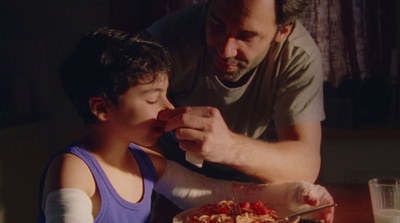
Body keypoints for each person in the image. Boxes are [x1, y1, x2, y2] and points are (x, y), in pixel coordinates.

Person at [37, 27, 334, 223]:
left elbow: (215, 194)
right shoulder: (74, 169)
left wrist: (300, 195)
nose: (168, 108)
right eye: (153, 99)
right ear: (102, 108)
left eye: (167, 95)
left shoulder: (146, 162)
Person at [147, 0, 325, 184]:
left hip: (245, 170)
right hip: (167, 167)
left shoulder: (298, 56)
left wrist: (229, 147)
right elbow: (124, 131)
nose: (225, 51)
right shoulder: (165, 39)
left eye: (246, 36)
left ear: (282, 32)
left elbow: (306, 166)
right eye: (217, 24)